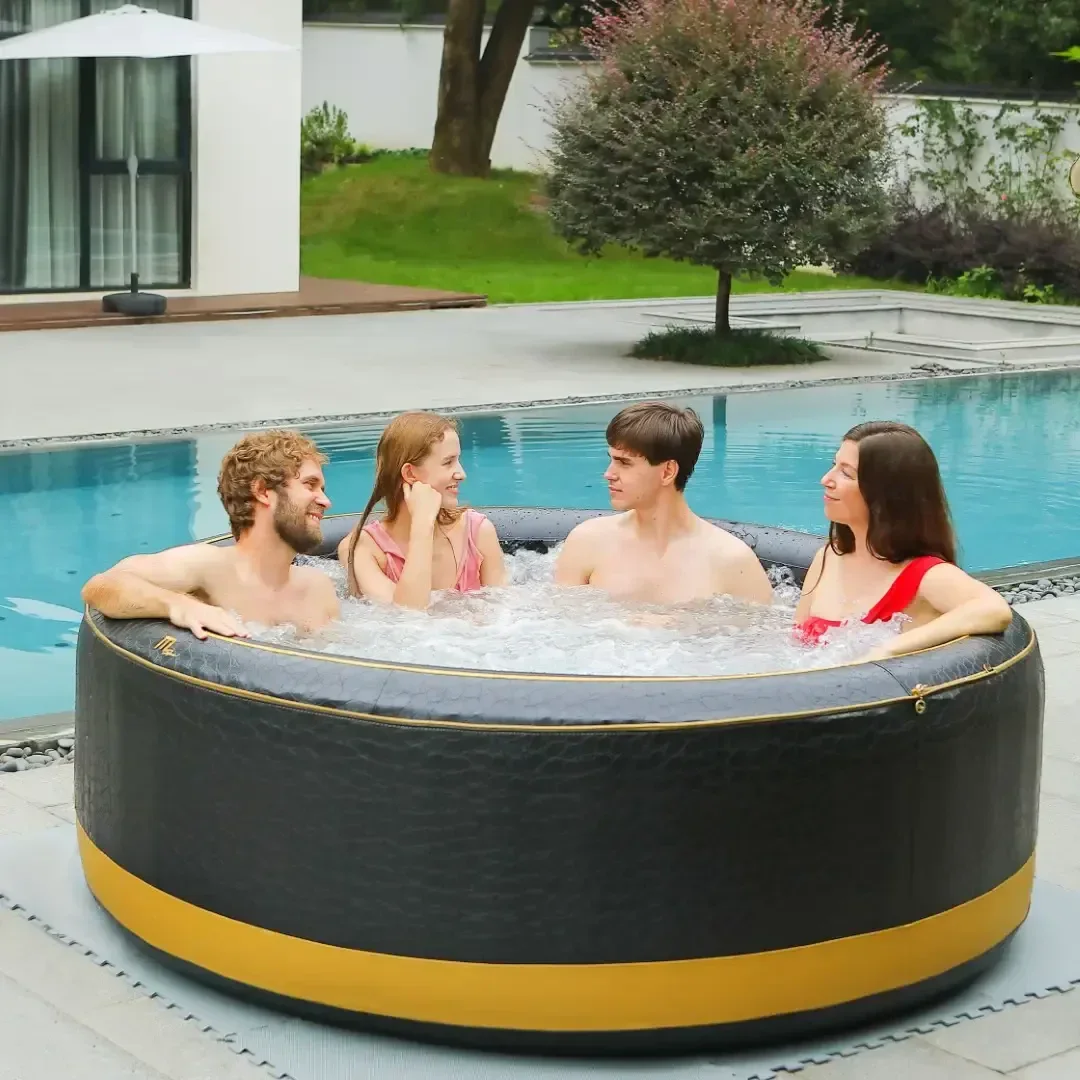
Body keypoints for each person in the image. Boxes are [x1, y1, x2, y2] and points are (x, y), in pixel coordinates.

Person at [82, 430, 340, 639]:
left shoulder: (317, 588)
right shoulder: (209, 567)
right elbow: (102, 586)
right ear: (262, 491)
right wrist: (179, 605)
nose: (326, 501)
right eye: (310, 485)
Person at [794, 420, 1012, 658]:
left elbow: (994, 609)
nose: (826, 479)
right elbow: (793, 647)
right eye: (834, 465)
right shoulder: (829, 557)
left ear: (887, 495)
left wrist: (887, 650)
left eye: (846, 473)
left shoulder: (924, 575)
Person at [554, 402, 774, 605]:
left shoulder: (732, 562)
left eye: (624, 463)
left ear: (668, 471)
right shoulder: (587, 542)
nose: (608, 474)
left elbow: (758, 644)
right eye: (611, 459)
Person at [339, 411, 507, 609]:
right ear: (410, 473)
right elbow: (407, 617)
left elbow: (504, 618)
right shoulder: (363, 549)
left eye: (458, 460)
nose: (462, 474)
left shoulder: (478, 533)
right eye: (448, 462)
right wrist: (422, 526)